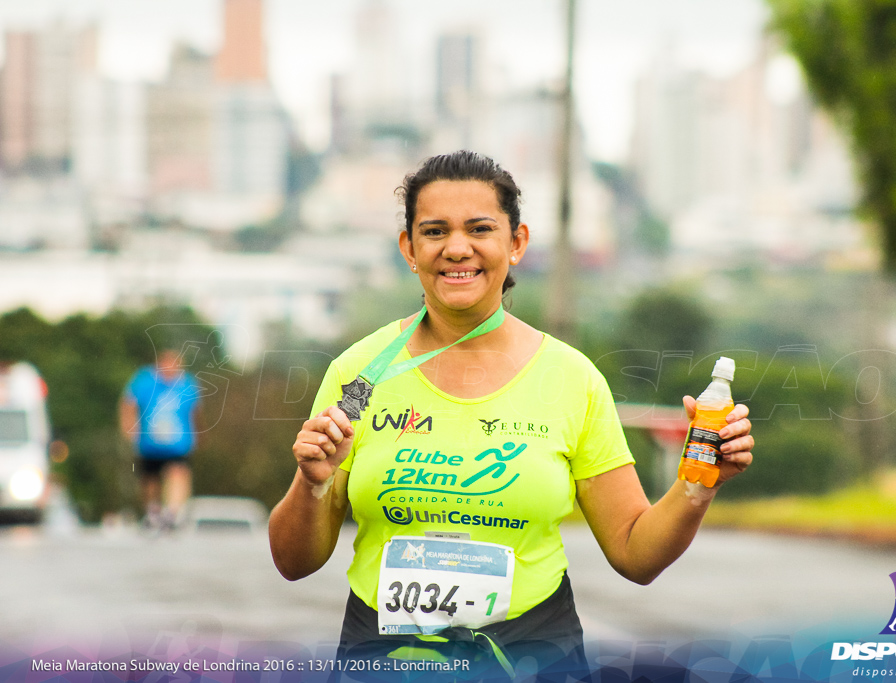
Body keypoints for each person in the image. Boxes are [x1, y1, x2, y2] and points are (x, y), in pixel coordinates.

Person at [268, 151, 754, 678]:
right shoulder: (358, 374)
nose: (457, 248)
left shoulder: (572, 379)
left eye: (480, 228)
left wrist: (696, 485)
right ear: (409, 248)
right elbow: (294, 563)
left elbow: (637, 554)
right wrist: (311, 483)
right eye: (434, 231)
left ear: (516, 243)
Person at [119, 347, 202, 532]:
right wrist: (129, 426)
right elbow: (128, 403)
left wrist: (197, 434)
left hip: (178, 443)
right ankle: (153, 512)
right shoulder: (145, 380)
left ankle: (172, 513)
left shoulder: (187, 383)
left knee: (178, 473)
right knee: (150, 480)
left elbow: (195, 411)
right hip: (150, 442)